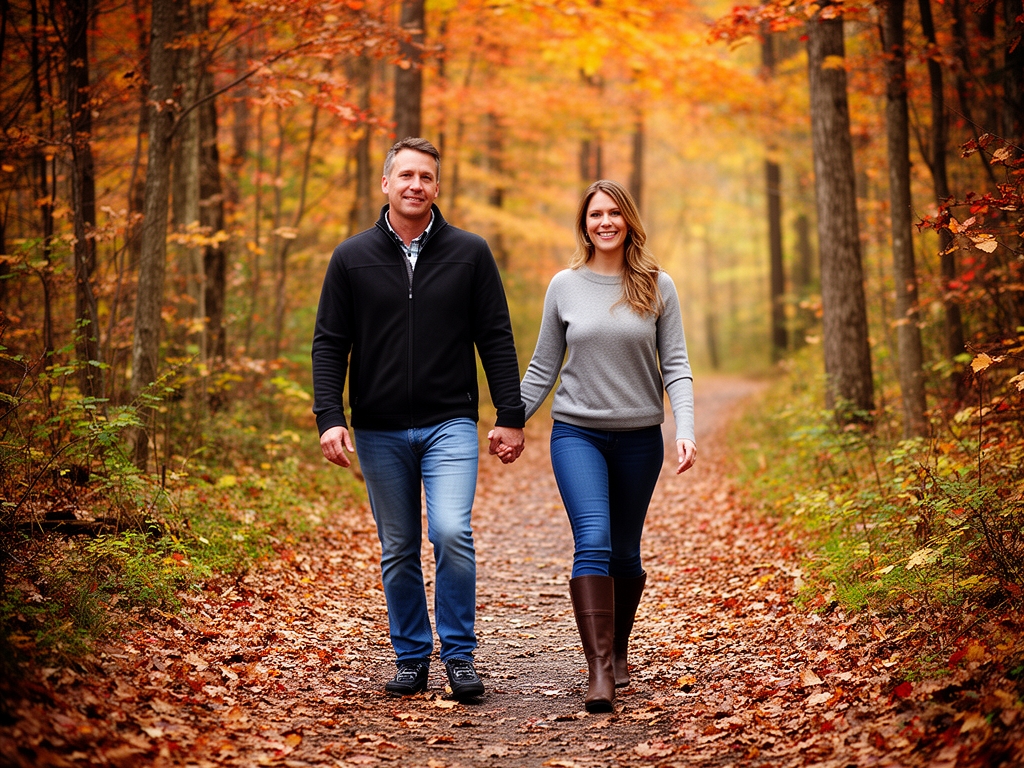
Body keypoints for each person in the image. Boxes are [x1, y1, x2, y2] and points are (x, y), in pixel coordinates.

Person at [312, 137, 526, 701]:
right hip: (379, 428)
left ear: (437, 186)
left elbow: (496, 338)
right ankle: (411, 656)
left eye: (426, 176)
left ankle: (458, 654)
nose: (415, 185)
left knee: (452, 531)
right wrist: (329, 415)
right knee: (399, 546)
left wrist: (510, 414)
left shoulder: (470, 252)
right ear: (385, 184)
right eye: (405, 175)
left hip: (449, 421)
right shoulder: (350, 257)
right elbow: (330, 343)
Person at [491, 179, 696, 713]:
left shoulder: (657, 285)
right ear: (584, 224)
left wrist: (686, 429)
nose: (604, 222)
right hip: (576, 433)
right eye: (594, 214)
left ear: (628, 220)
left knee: (626, 552)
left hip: (639, 440)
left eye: (613, 213)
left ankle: (619, 650)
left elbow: (675, 365)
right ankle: (599, 668)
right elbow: (541, 367)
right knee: (595, 538)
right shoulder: (564, 285)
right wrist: (510, 420)